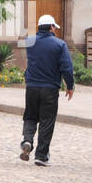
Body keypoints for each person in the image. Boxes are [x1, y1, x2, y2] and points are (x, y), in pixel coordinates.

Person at [20, 15, 75, 167]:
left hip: (31, 86)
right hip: (50, 88)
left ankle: (27, 140)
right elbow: (66, 67)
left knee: (30, 116)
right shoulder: (60, 44)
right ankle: (41, 156)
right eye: (54, 27)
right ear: (51, 27)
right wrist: (70, 86)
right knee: (46, 121)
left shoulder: (29, 42)